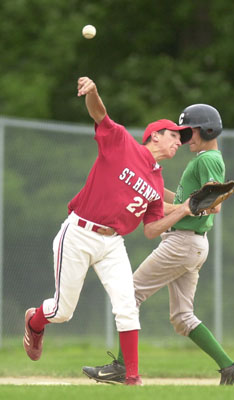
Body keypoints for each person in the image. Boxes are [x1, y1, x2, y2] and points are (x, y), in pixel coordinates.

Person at [23, 76, 195, 386]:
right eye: (174, 135)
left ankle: (132, 378)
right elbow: (99, 114)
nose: (178, 142)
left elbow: (152, 229)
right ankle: (35, 322)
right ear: (154, 136)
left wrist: (183, 209)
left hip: (113, 243)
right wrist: (93, 92)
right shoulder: (122, 142)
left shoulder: (157, 184)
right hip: (78, 233)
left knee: (127, 305)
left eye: (181, 138)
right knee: (62, 311)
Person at [83, 104, 234, 385]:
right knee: (183, 317)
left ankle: (123, 367)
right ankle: (231, 369)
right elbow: (188, 200)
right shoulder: (206, 158)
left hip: (182, 242)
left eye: (191, 131)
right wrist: (152, 187)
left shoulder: (205, 159)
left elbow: (212, 204)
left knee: (129, 293)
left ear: (208, 128)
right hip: (193, 244)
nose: (186, 137)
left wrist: (193, 206)